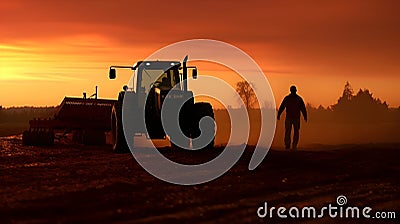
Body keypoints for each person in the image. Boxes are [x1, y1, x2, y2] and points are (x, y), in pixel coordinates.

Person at [277, 85, 307, 150]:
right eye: (292, 91)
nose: (293, 92)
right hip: (289, 118)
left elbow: (303, 108)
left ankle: (293, 145)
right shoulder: (288, 98)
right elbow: (282, 107)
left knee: (295, 131)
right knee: (289, 131)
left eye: (294, 91)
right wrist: (279, 114)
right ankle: (288, 145)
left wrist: (305, 116)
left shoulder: (298, 99)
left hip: (295, 118)